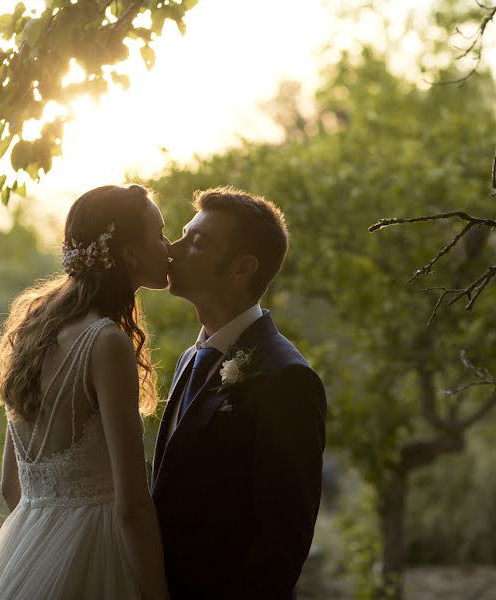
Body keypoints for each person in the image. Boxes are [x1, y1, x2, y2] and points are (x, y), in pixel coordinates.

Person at [0, 184, 170, 600]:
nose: (168, 246)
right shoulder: (105, 342)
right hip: (99, 556)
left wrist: (50, 549)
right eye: (160, 233)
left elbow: (13, 487)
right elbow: (132, 505)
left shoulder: (33, 329)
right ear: (130, 253)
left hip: (26, 548)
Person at [152, 185, 327, 599]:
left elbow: (284, 540)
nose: (173, 250)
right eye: (182, 235)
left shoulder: (285, 377)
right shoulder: (188, 360)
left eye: (197, 242)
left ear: (241, 268)